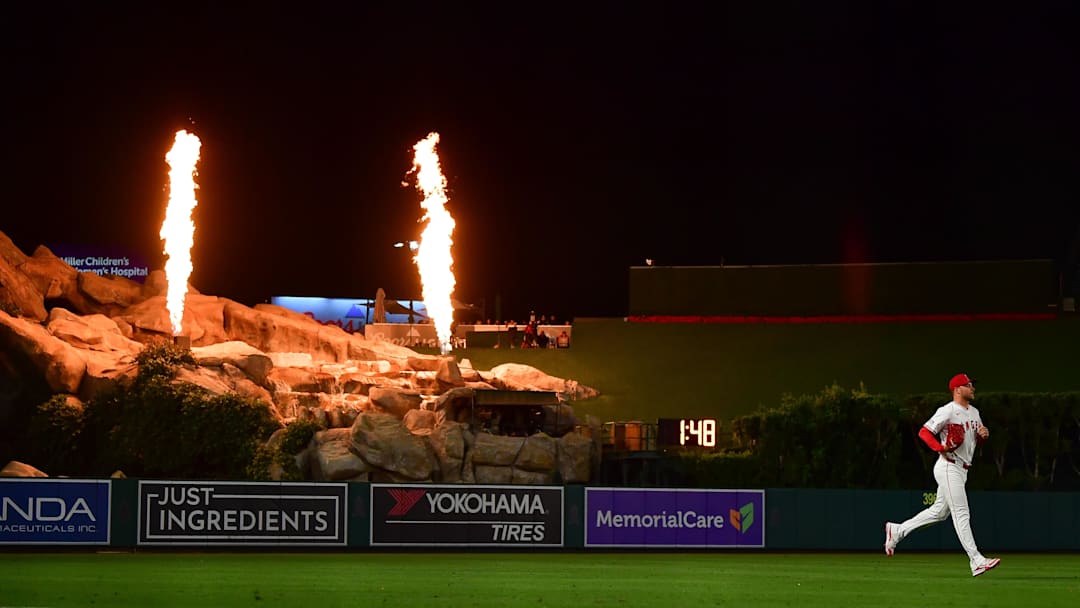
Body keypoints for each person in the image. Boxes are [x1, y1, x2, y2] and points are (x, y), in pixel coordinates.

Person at [883, 373, 1000, 577]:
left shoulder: (975, 412)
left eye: (972, 385)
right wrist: (939, 447)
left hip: (963, 468)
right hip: (948, 466)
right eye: (968, 385)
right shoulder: (948, 410)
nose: (973, 388)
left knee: (939, 512)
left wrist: (982, 436)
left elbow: (973, 442)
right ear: (957, 390)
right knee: (961, 513)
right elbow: (924, 432)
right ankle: (976, 560)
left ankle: (898, 531)